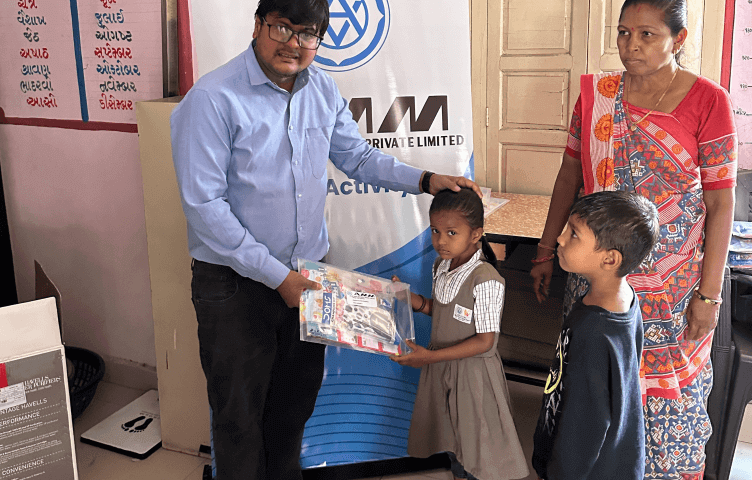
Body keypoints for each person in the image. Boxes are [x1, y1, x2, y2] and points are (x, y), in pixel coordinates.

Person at [169, 1, 481, 478]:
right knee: (238, 416)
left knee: (293, 406)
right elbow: (204, 206)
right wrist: (277, 277)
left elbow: (357, 158)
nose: (294, 44)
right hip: (235, 285)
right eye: (282, 28)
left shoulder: (321, 89)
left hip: (306, 281)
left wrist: (425, 180)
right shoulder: (211, 98)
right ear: (257, 25)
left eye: (308, 33)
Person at [530, 0, 737, 477]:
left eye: (647, 34)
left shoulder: (709, 101)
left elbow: (720, 203)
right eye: (624, 32)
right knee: (594, 387)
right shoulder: (598, 97)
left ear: (678, 39)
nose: (631, 45)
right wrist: (544, 251)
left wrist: (709, 295)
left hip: (676, 286)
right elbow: (568, 176)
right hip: (598, 273)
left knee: (670, 391)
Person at [390, 187, 529, 480]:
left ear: (476, 234)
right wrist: (411, 299)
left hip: (473, 376)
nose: (441, 241)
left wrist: (429, 357)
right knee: (451, 434)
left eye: (451, 233)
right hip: (441, 368)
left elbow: (485, 342)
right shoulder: (441, 265)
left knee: (477, 440)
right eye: (435, 231)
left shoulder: (486, 279)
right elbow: (442, 309)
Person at [532, 191, 660, 480]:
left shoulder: (593, 331)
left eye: (574, 234)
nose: (560, 239)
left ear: (610, 259)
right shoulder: (624, 298)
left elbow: (584, 427)